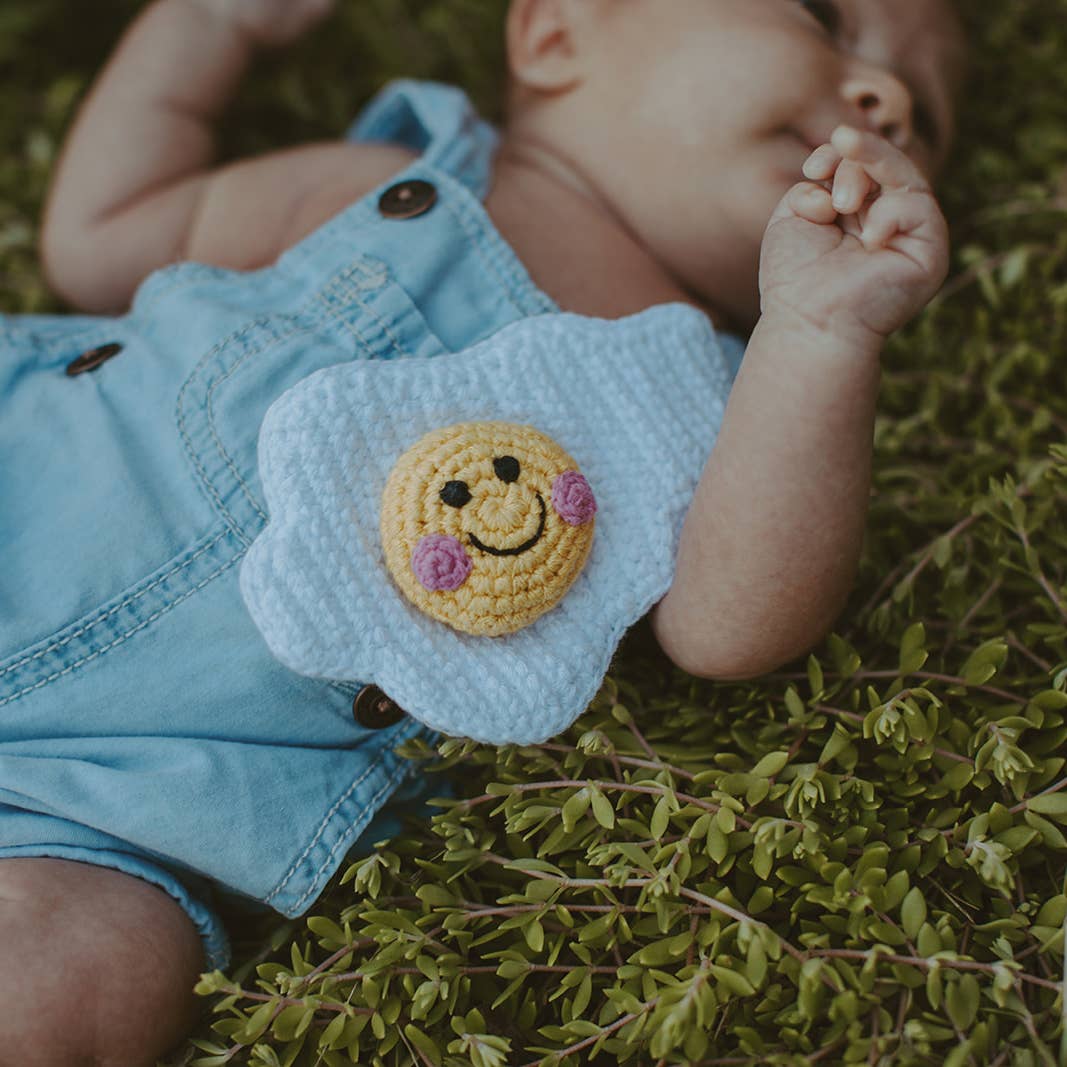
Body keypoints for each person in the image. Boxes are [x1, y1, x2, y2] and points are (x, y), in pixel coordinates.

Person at [0, 0, 967, 1062]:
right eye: (823, 21)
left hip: (137, 799)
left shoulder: (738, 408)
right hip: (34, 479)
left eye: (917, 120)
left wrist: (819, 335)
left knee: (75, 981)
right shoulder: (390, 178)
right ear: (555, 34)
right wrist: (209, 27)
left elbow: (727, 628)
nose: (883, 101)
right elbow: (100, 238)